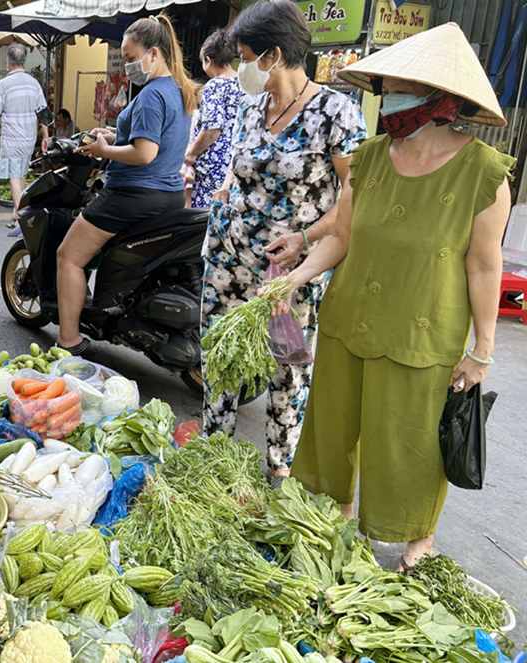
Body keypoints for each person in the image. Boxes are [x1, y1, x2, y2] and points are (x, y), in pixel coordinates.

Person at [271, 23, 513, 572]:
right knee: (332, 429)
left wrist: (482, 351)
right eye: (382, 85)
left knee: (408, 440)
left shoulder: (484, 175)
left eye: (395, 85)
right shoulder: (371, 157)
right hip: (349, 318)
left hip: (423, 330)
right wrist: (296, 276)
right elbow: (342, 236)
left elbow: (482, 265)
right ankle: (337, 516)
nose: (385, 97)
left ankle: (415, 543)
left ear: (438, 100)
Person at [200, 0, 366, 486]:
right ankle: (213, 460)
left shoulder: (338, 113)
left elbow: (350, 206)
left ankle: (278, 472)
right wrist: (225, 192)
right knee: (219, 356)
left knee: (284, 372)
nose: (245, 66)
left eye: (248, 55)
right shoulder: (253, 106)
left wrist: (305, 238)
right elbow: (240, 168)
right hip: (228, 257)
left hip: (288, 271)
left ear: (274, 54)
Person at [57, 14, 197, 354]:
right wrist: (113, 134)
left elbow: (145, 152)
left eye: (132, 58)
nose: (130, 66)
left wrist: (105, 150)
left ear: (154, 54)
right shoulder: (180, 91)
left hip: (131, 196)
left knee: (68, 257)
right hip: (169, 197)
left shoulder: (151, 94)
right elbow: (155, 140)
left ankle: (69, 339)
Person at [0, 43, 50, 227]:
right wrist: (45, 135)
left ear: (8, 62)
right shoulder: (34, 83)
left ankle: (21, 217)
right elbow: (43, 111)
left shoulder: (4, 84)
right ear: (24, 62)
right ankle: (17, 212)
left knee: (15, 176)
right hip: (29, 137)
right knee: (21, 174)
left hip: (12, 138)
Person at [185, 29, 243, 209]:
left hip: (213, 168)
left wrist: (191, 155)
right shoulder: (243, 83)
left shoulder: (215, 85)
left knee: (205, 217)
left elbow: (211, 130)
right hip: (234, 164)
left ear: (208, 61)